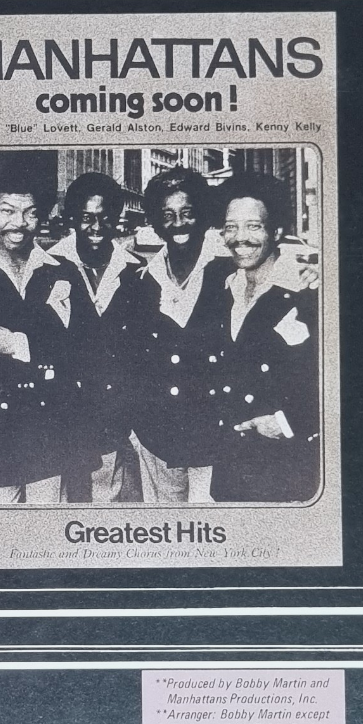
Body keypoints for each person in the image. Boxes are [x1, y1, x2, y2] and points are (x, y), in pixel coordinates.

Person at [207, 174, 320, 504]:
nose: (240, 238)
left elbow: (334, 377)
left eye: (254, 226)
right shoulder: (225, 288)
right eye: (231, 227)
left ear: (277, 231)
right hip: (232, 467)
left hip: (286, 468)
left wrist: (286, 423)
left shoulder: (307, 291)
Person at [0, 161, 69, 505]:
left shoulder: (58, 271)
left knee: (46, 529)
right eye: (7, 211)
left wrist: (11, 342)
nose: (19, 223)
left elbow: (73, 346)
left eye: (30, 213)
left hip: (46, 434)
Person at [126, 167, 229, 505]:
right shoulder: (143, 279)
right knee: (163, 525)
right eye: (167, 215)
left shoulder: (228, 273)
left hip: (215, 437)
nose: (179, 223)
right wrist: (137, 427)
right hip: (157, 436)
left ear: (203, 215)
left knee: (208, 526)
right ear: (156, 222)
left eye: (188, 213)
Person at [46, 171, 144, 503]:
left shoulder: (134, 269)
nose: (97, 227)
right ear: (73, 219)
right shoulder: (48, 265)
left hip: (111, 413)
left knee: (106, 500)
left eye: (105, 218)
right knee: (61, 502)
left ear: (117, 219)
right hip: (60, 411)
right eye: (87, 218)